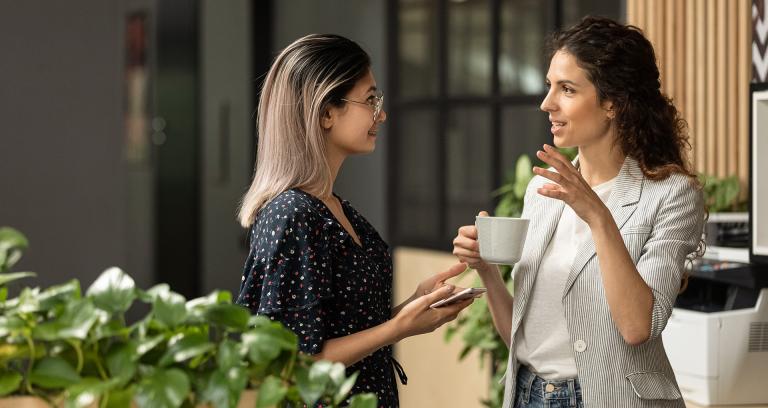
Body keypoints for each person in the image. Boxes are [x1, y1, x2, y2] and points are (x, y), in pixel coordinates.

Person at [452, 16, 706, 408]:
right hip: (527, 397)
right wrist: (485, 267)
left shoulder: (672, 195)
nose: (546, 103)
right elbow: (523, 340)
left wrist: (598, 216)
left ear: (612, 103)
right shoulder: (542, 189)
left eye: (566, 89)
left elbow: (639, 327)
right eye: (549, 86)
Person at [235, 34, 473, 407]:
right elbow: (294, 362)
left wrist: (414, 306)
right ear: (325, 112)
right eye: (370, 99)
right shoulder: (292, 215)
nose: (382, 113)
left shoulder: (335, 209)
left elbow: (344, 331)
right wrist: (397, 327)